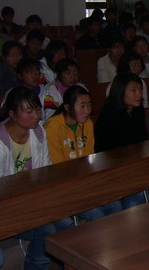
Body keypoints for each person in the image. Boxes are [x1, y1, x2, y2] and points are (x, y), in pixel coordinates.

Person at [0, 87, 74, 269]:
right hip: (0, 209)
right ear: (12, 114)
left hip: (30, 201)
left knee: (67, 224)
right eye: (29, 111)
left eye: (37, 109)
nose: (36, 115)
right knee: (47, 230)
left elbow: (45, 172)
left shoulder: (39, 132)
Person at [44, 86, 124, 220]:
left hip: (85, 182)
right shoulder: (53, 127)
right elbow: (58, 167)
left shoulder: (87, 123)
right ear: (67, 107)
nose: (87, 111)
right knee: (97, 215)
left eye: (89, 105)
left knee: (116, 207)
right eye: (82, 106)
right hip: (65, 186)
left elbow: (89, 158)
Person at [94, 73, 149, 207]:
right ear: (120, 92)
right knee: (136, 198)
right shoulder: (110, 114)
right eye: (133, 90)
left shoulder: (138, 110)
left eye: (140, 90)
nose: (139, 94)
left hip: (134, 163)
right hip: (112, 166)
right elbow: (107, 151)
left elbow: (142, 139)